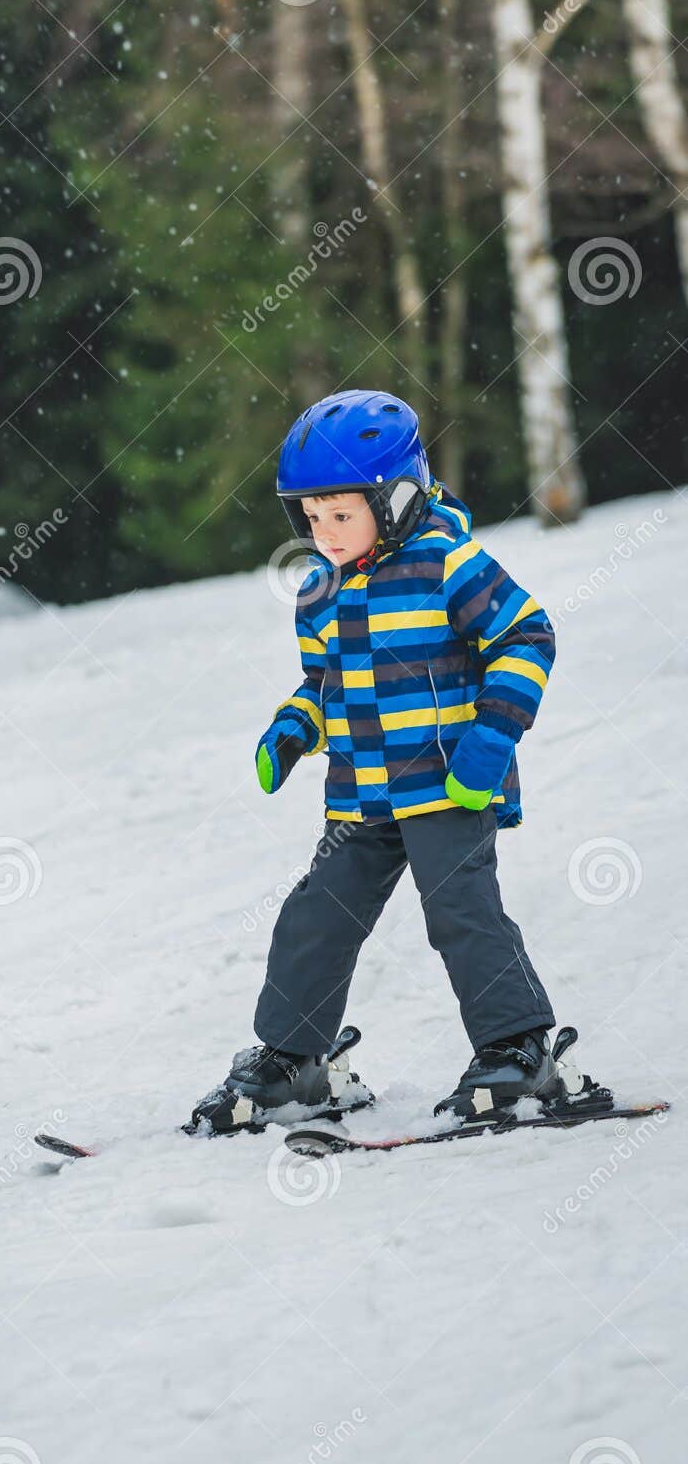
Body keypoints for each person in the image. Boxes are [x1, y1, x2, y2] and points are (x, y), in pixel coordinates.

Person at [190, 388, 573, 1136]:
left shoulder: (448, 563)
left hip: (446, 784)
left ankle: (517, 1049)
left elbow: (526, 637)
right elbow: (321, 682)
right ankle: (294, 1060)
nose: (323, 533)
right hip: (360, 794)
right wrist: (293, 728)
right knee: (314, 916)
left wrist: (491, 739)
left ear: (395, 499)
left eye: (340, 514)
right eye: (309, 518)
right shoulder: (320, 589)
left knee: (459, 914)